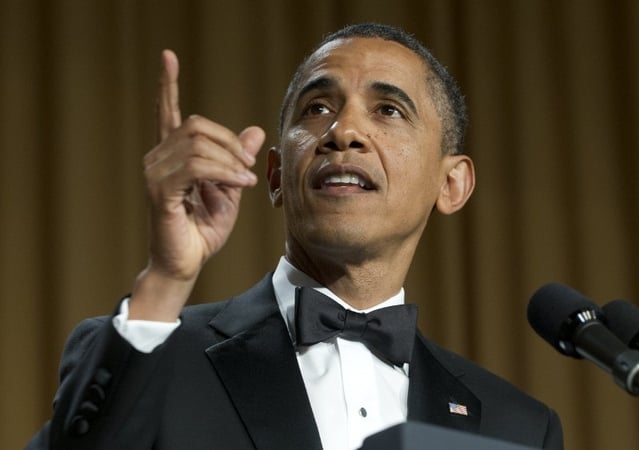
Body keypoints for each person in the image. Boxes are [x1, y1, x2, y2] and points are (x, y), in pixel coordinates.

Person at [28, 23, 563, 450]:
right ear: (277, 175)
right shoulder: (152, 355)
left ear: (452, 184)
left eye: (388, 110)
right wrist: (166, 279)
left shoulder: (516, 427)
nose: (343, 132)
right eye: (318, 108)